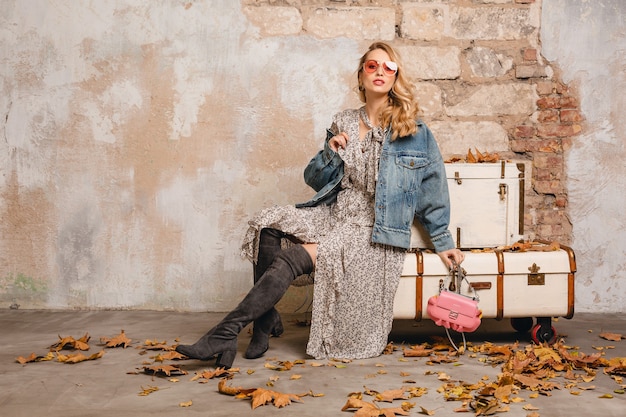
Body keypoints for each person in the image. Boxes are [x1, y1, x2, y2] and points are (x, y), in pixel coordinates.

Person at [176, 41, 464, 368]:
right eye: (373, 66)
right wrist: (331, 151)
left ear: (396, 77)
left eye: (389, 67)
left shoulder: (412, 129)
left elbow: (433, 187)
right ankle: (264, 321)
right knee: (268, 223)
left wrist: (442, 242)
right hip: (334, 212)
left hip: (372, 227)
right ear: (361, 76)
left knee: (294, 256)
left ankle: (225, 333)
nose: (380, 71)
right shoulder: (343, 121)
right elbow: (314, 178)